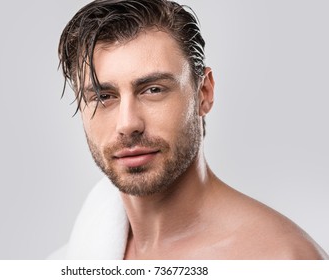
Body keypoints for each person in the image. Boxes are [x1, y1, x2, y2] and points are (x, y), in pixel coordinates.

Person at [52, 0, 328, 259]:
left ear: (204, 93)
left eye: (153, 90)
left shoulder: (281, 260)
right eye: (104, 97)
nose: (128, 124)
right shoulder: (79, 254)